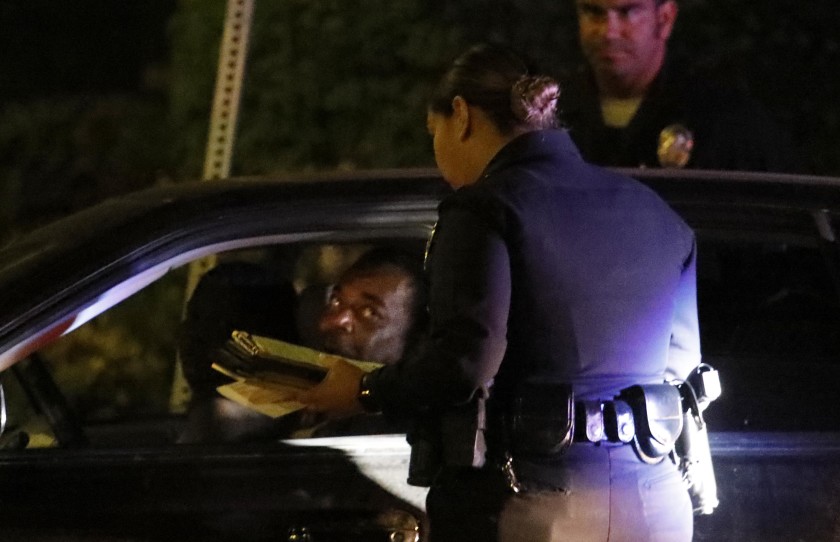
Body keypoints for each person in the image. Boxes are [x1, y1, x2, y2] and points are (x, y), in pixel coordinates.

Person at [296, 43, 700, 541]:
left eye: (434, 133)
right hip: (656, 504)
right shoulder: (656, 212)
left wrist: (361, 391)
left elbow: (464, 361)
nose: (439, 154)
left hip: (533, 506)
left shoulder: (485, 210)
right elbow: (681, 366)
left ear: (460, 116)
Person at [177, 246, 428, 442]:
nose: (330, 322)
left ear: (416, 339)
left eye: (369, 312)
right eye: (337, 301)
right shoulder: (294, 411)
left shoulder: (404, 440)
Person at [560, 0, 803, 171]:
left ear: (664, 19)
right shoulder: (551, 116)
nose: (608, 32)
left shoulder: (721, 121)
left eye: (627, 13)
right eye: (593, 12)